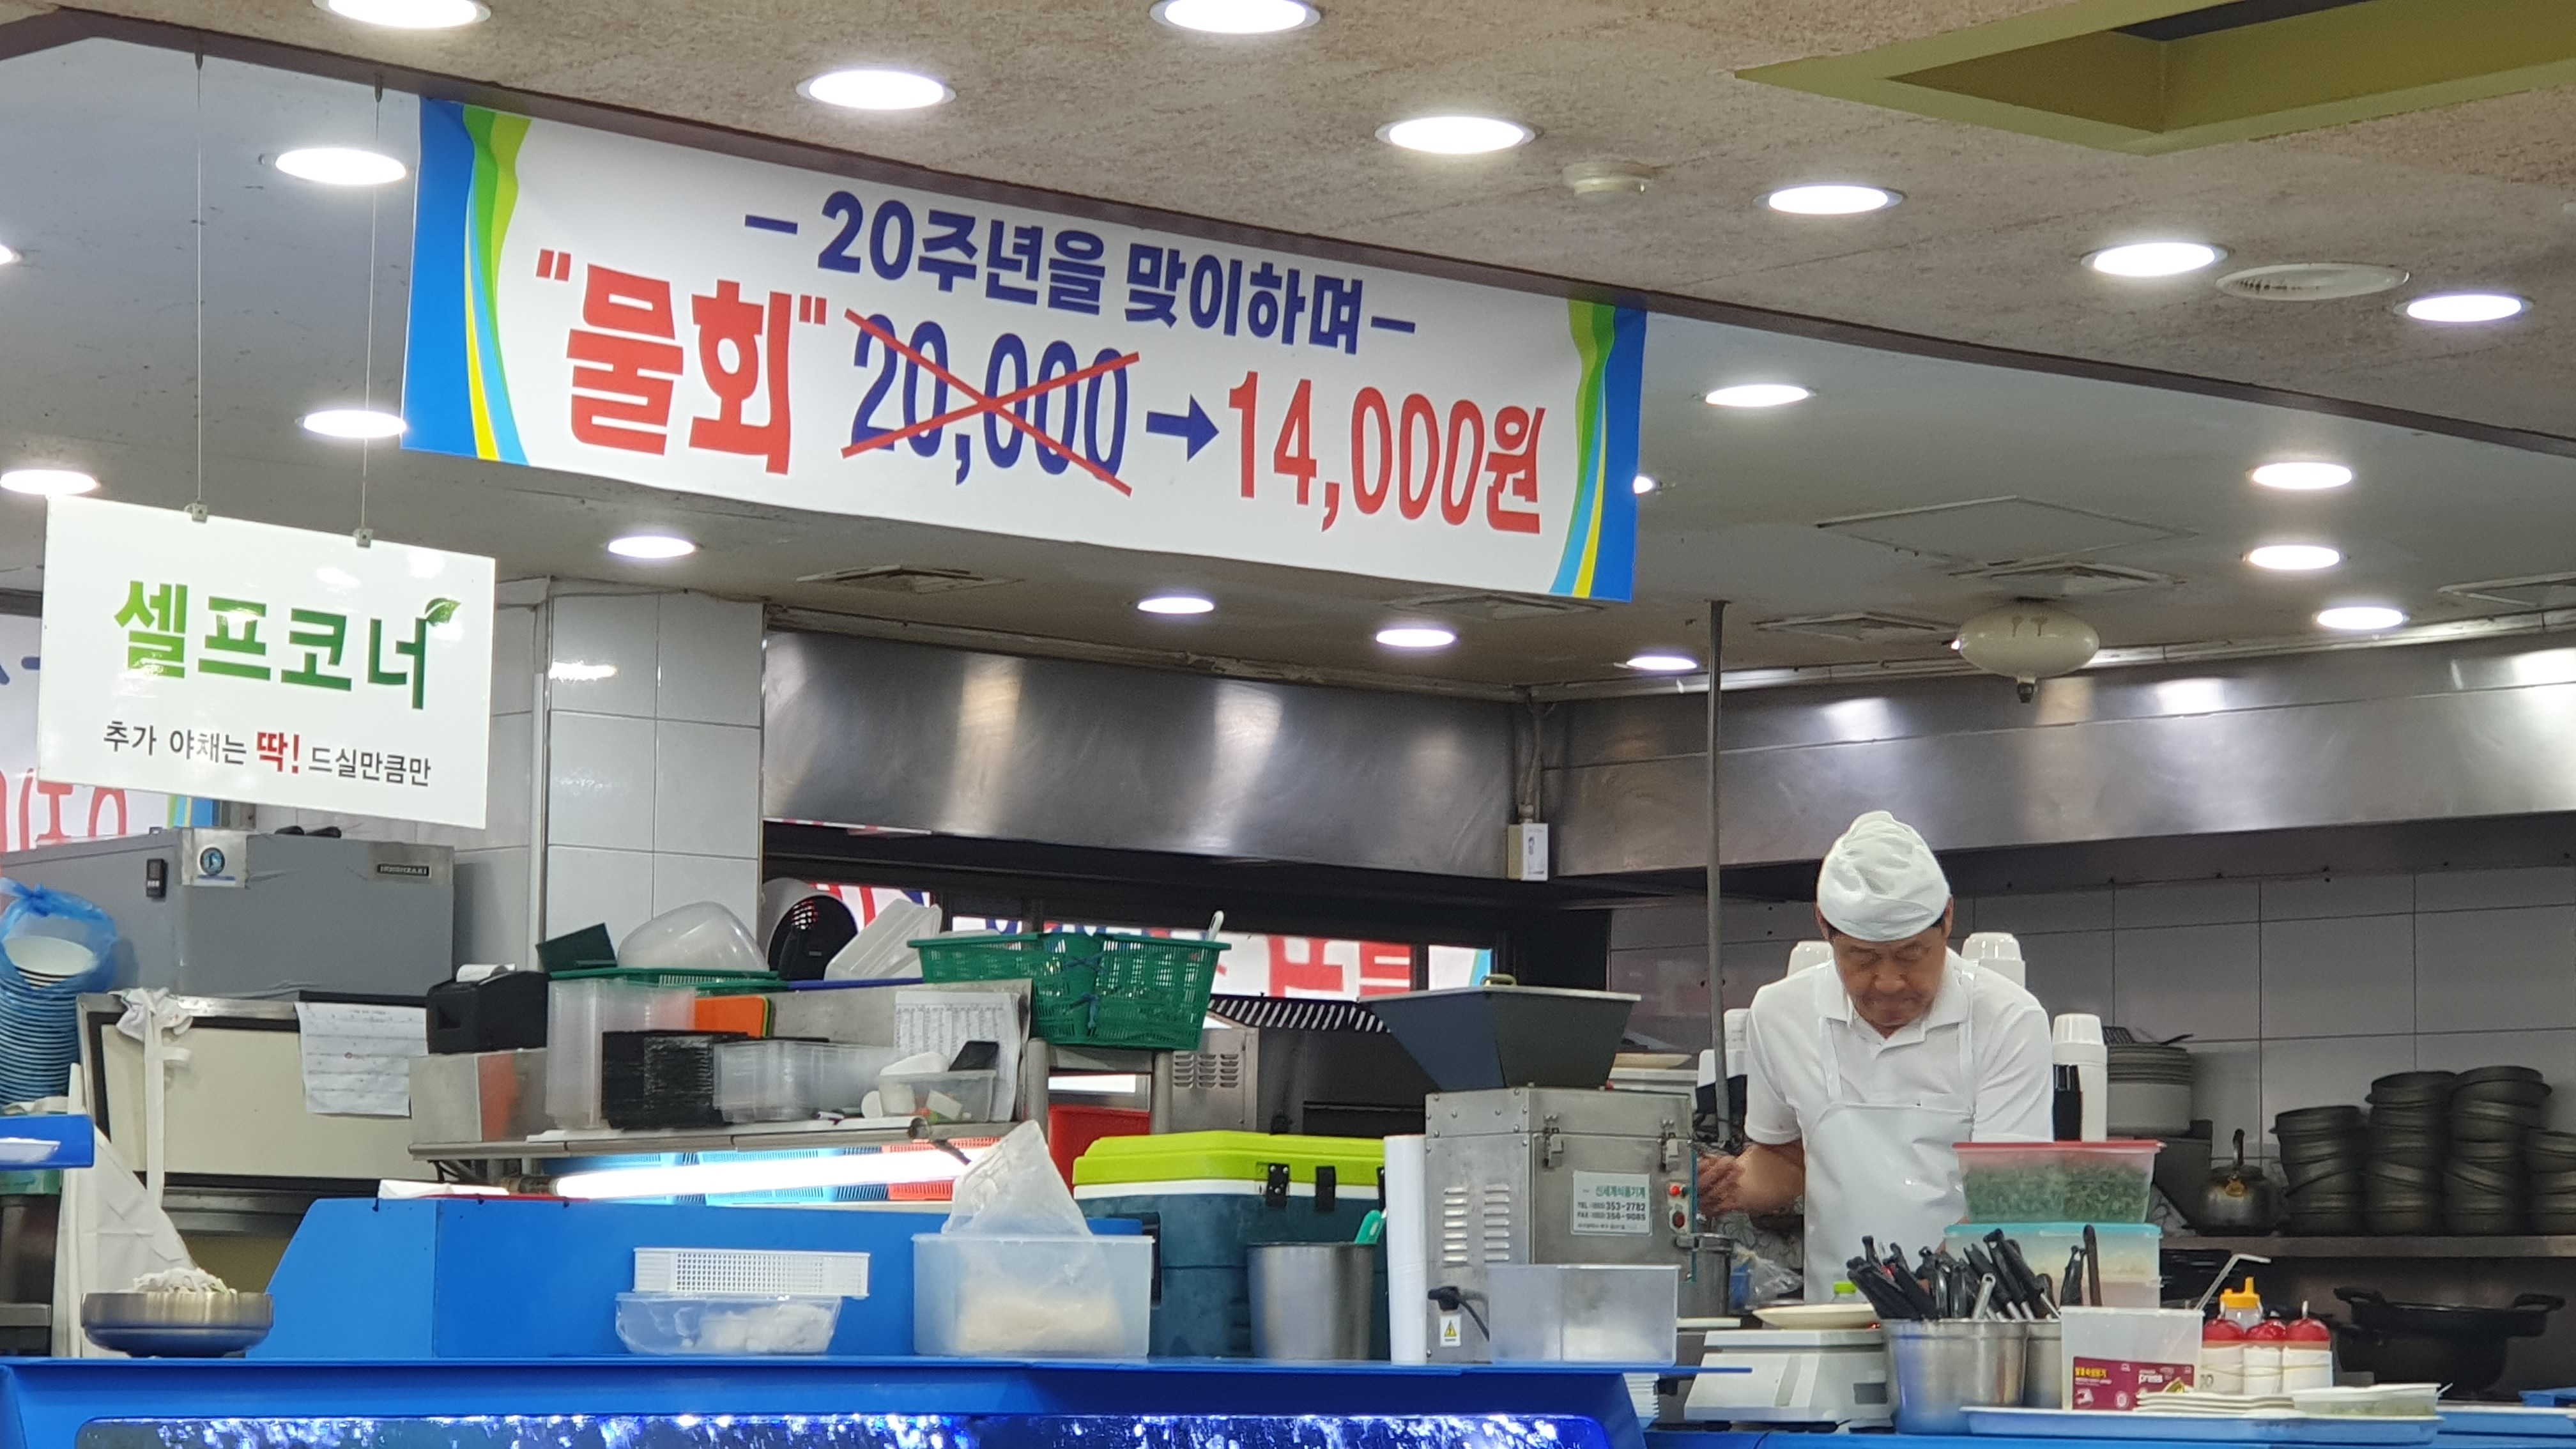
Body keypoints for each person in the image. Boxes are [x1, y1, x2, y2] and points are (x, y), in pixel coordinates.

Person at [1698, 810, 2052, 1301]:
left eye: (1911, 955)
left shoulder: (2007, 1018)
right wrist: (1727, 1185)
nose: (1888, 983)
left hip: (1970, 1319)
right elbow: (1786, 1158)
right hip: (1832, 1316)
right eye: (1862, 958)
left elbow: (2006, 1198)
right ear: (1825, 927)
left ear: (1948, 918)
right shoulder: (1780, 1013)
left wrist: (1921, 1295)